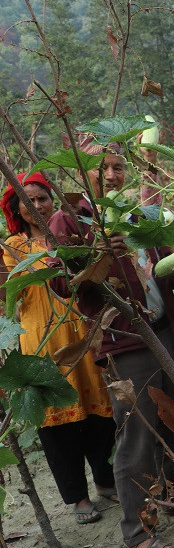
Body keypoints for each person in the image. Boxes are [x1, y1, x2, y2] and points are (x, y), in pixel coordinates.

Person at [48, 141, 174, 548]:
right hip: (124, 342)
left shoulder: (132, 215)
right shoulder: (69, 219)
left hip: (164, 331)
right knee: (137, 435)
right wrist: (96, 259)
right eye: (103, 168)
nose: (112, 175)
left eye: (118, 167)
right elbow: (61, 283)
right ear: (81, 172)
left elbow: (166, 272)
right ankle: (137, 530)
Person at [0, 173, 116, 525]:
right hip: (41, 337)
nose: (36, 206)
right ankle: (77, 497)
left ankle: (105, 480)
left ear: (53, 201)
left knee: (99, 407)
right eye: (28, 200)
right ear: (17, 207)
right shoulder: (11, 247)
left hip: (83, 329)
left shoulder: (72, 235)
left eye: (42, 198)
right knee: (57, 420)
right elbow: (8, 296)